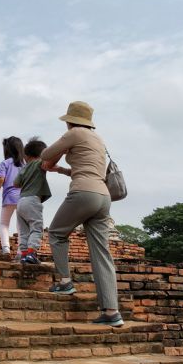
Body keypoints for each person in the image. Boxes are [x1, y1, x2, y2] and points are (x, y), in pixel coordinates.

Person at [41, 101, 123, 327]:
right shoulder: (98, 139)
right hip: (104, 197)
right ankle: (112, 312)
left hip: (83, 194)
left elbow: (45, 154)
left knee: (57, 233)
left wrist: (62, 150)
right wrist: (61, 169)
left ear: (70, 120)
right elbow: (87, 170)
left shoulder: (74, 133)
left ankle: (65, 282)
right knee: (101, 253)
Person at [13, 138, 62, 264]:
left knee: (24, 231)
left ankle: (24, 254)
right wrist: (62, 150)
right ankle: (31, 254)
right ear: (43, 154)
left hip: (20, 202)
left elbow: (16, 184)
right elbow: (51, 161)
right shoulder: (39, 163)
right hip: (33, 200)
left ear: (26, 156)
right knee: (36, 228)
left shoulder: (24, 169)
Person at [0, 136, 24, 256]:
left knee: (4, 224)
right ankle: (21, 251)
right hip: (23, 198)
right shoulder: (25, 164)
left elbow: (1, 179)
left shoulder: (5, 163)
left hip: (9, 197)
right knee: (21, 225)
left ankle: (5, 248)